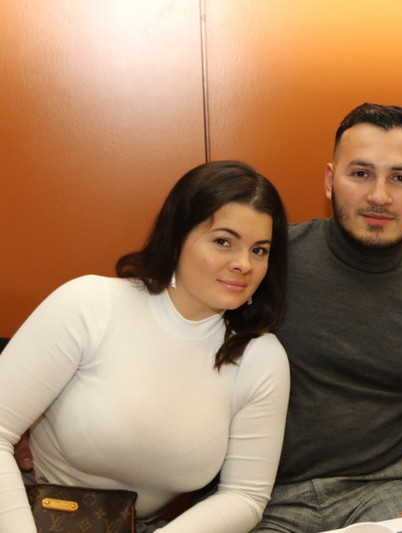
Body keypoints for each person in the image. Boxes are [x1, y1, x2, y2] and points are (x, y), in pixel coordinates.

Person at [0, 161, 291, 533]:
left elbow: (244, 496)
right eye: (223, 241)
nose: (243, 264)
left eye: (259, 250)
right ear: (177, 237)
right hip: (22, 511)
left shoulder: (260, 358)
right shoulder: (89, 304)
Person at [253, 103, 402, 533]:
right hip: (263, 497)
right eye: (361, 173)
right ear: (330, 180)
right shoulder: (268, 261)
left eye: (400, 178)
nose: (379, 196)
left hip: (382, 491)